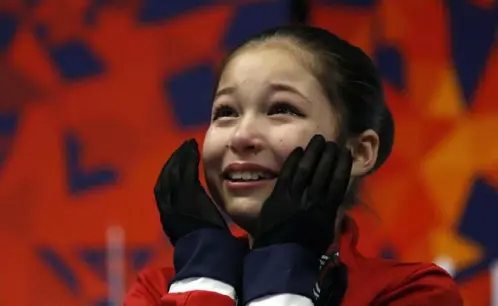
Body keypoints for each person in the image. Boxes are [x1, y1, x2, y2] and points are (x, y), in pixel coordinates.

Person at [124, 25, 462, 306]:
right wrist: (204, 270)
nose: (241, 136)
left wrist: (282, 266)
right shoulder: (157, 291)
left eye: (281, 109)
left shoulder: (412, 291)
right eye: (226, 112)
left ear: (359, 152)